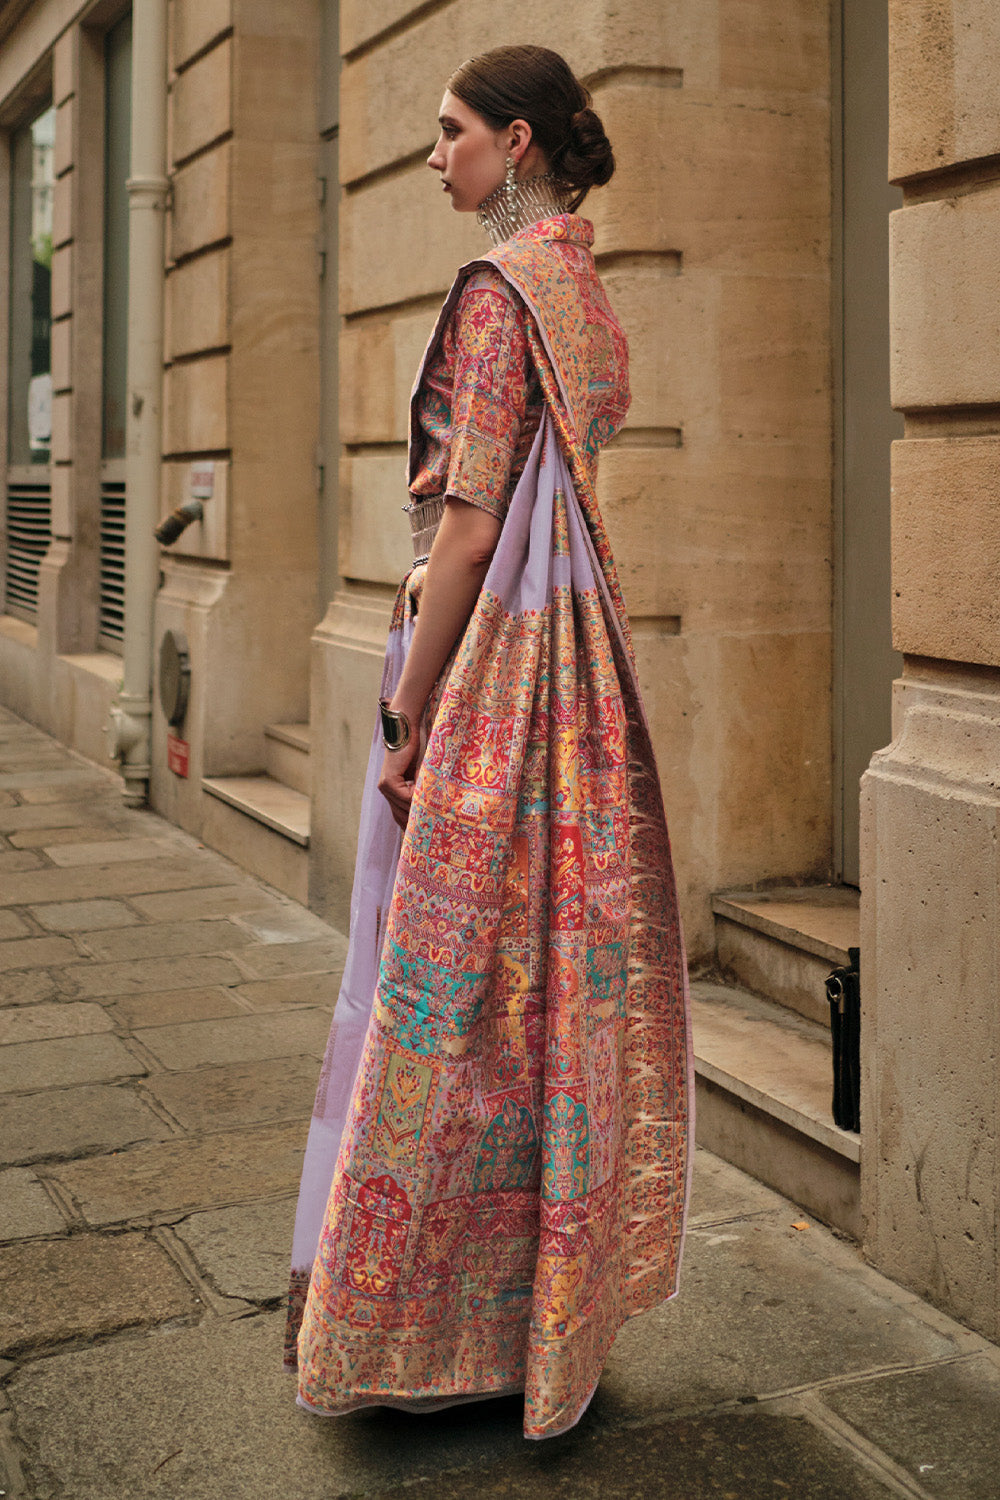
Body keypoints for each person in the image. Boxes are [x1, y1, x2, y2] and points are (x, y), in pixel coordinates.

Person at [286, 44, 692, 1442]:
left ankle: (411, 1330)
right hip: (582, 673)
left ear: (516, 141)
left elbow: (466, 526)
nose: (432, 153)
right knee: (547, 1000)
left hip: (500, 675)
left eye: (449, 131)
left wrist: (409, 715)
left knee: (446, 1002)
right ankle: (543, 1325)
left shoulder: (496, 295)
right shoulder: (584, 292)